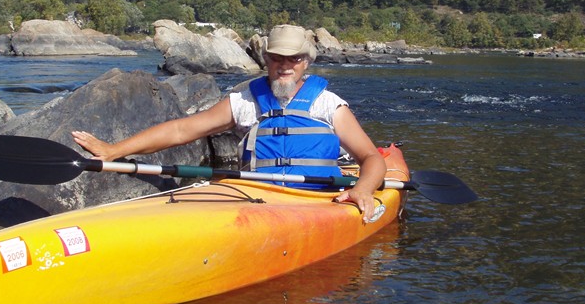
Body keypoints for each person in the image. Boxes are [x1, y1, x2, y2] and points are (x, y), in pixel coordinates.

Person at [72, 24, 387, 223]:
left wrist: (363, 188)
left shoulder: (327, 104)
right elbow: (183, 129)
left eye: (294, 59)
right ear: (266, 59)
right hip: (258, 199)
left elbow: (371, 158)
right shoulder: (246, 102)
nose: (285, 66)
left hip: (317, 200)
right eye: (277, 58)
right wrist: (114, 150)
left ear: (306, 62)